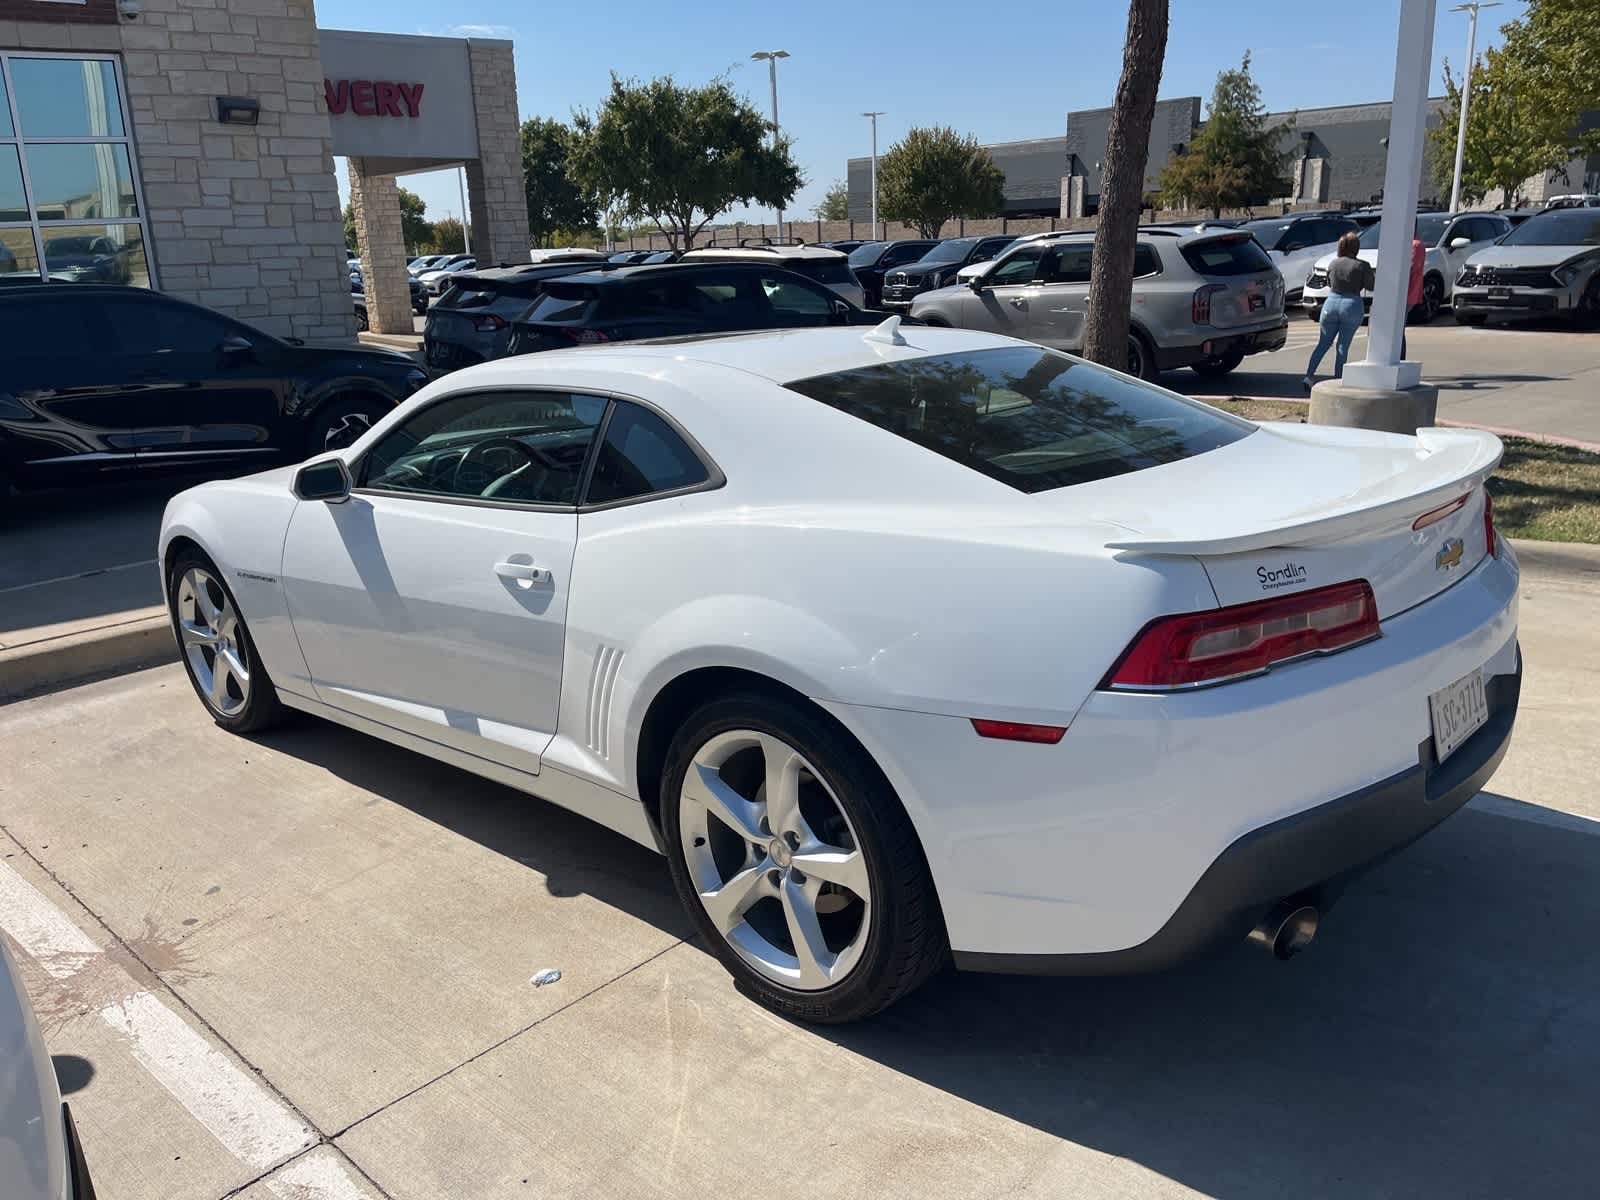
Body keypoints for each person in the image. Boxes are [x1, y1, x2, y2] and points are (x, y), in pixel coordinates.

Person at [1303, 231, 1374, 391]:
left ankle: (1308, 376)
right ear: (1356, 247)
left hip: (1331, 303)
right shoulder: (1362, 265)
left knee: (1323, 343)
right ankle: (1338, 380)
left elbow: (1329, 282)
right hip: (1352, 304)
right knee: (1342, 346)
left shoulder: (1333, 264)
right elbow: (1371, 285)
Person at [1401, 223, 1426, 358]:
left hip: (1406, 293)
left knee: (1397, 331)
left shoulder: (1414, 244)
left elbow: (1409, 269)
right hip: (1409, 292)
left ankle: (1400, 359)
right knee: (1398, 330)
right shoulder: (1416, 243)